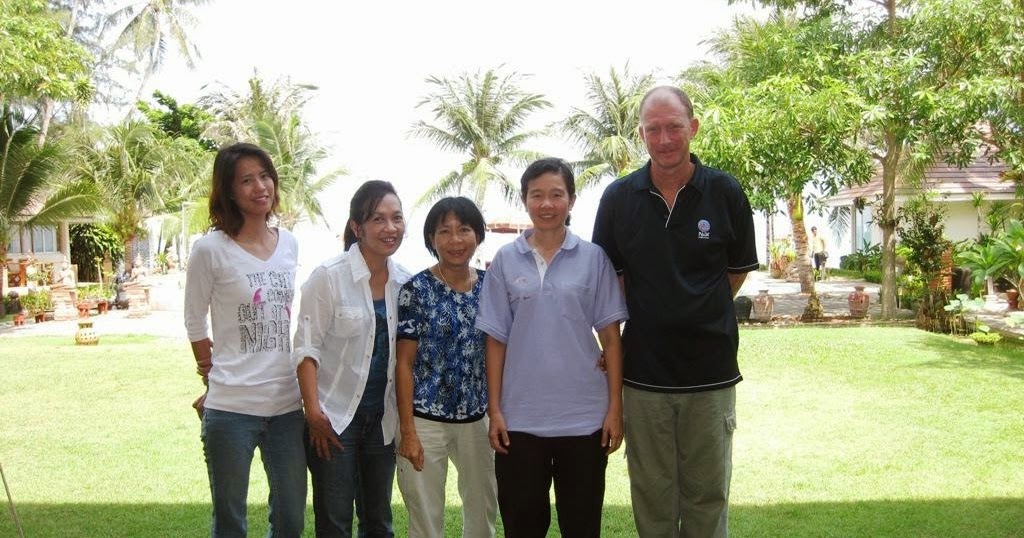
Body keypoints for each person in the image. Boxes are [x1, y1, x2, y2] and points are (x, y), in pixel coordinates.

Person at [592, 86, 759, 538]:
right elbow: (610, 282)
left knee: (708, 496)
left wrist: (690, 308)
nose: (664, 139)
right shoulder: (618, 198)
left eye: (674, 127)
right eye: (653, 130)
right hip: (644, 375)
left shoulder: (724, 192)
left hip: (711, 372)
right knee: (652, 494)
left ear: (693, 128)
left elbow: (734, 274)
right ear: (641, 134)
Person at [476, 157, 627, 538]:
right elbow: (495, 341)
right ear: (525, 200)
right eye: (537, 195)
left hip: (585, 419)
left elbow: (611, 338)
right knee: (523, 527)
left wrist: (614, 409)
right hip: (519, 422)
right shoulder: (506, 261)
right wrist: (495, 410)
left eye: (556, 195)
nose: (547, 204)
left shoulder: (593, 259)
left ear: (571, 200)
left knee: (582, 525)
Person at [184, 142, 305, 538]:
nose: (260, 187)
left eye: (265, 176)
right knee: (230, 521)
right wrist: (210, 375)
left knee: (291, 518)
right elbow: (194, 320)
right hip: (231, 406)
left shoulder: (289, 244)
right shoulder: (210, 249)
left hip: (287, 404)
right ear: (229, 191)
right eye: (246, 180)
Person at [292, 180, 410, 538]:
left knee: (378, 521)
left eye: (397, 218)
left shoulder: (405, 282)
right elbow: (306, 349)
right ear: (357, 227)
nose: (390, 228)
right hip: (333, 418)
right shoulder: (329, 278)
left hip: (382, 421)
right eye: (378, 219)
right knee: (334, 521)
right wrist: (313, 413)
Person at [395, 196, 498, 538]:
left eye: (464, 229)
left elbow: (504, 350)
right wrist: (408, 431)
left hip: (477, 421)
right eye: (445, 231)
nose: (455, 240)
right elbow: (404, 364)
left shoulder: (491, 287)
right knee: (426, 519)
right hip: (425, 423)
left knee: (483, 513)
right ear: (431, 239)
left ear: (478, 235)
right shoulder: (416, 290)